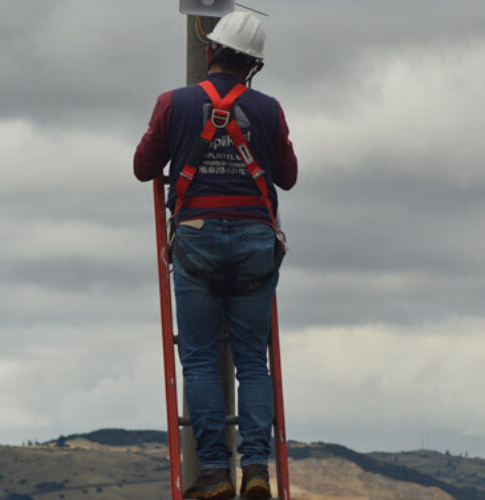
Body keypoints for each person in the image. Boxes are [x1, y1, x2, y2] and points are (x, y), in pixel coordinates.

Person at [134, 10, 297, 500]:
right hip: (254, 241)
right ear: (253, 66)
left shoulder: (174, 103)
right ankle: (254, 471)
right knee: (253, 363)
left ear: (210, 52)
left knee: (201, 362)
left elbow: (144, 167)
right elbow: (287, 177)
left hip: (198, 236)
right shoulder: (268, 110)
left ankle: (213, 473)